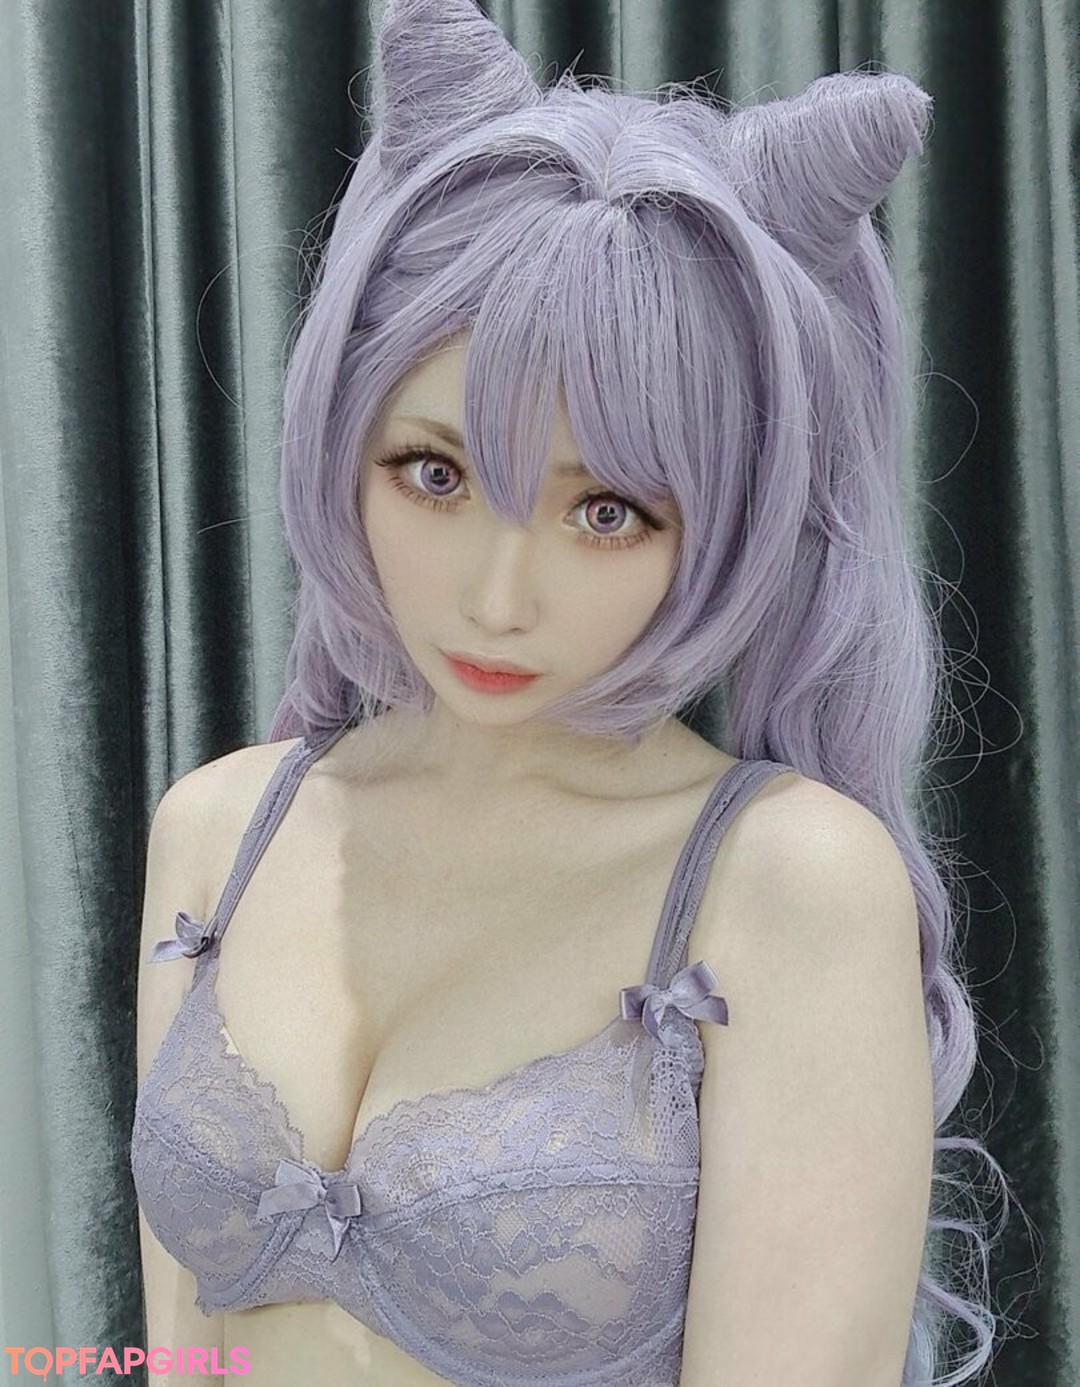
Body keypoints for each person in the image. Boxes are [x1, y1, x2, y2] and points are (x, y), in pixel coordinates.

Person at [130, 0, 1011, 1383]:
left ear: (727, 521)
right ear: (343, 441)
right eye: (433, 473)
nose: (497, 597)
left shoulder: (788, 885)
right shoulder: (219, 827)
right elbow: (183, 1355)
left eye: (607, 512)